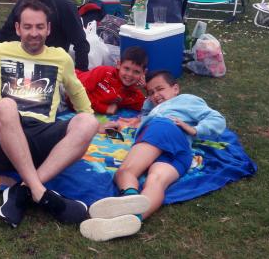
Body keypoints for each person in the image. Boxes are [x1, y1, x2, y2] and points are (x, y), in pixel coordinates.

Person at [0, 0, 148, 228]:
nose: (34, 33)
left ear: (48, 29)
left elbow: (79, 95)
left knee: (87, 122)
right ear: (18, 28)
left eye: (40, 27)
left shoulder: (60, 58)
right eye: (28, 27)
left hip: (41, 139)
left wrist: (90, 125)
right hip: (3, 138)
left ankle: (24, 190)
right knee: (6, 106)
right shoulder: (1, 51)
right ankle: (41, 192)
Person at [80, 70, 226, 241]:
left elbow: (217, 118)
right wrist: (147, 94)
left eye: (160, 89)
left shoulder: (186, 100)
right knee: (156, 181)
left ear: (176, 89)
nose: (155, 95)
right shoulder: (155, 107)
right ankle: (134, 219)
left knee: (125, 172)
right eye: (151, 93)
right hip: (181, 153)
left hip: (162, 129)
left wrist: (196, 130)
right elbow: (146, 110)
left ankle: (129, 198)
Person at [77, 46, 147, 114]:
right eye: (126, 68)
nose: (130, 74)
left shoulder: (133, 94)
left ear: (143, 73)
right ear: (119, 64)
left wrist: (146, 88)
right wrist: (104, 108)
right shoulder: (103, 72)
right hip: (68, 81)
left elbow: (148, 107)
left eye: (136, 72)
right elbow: (75, 93)